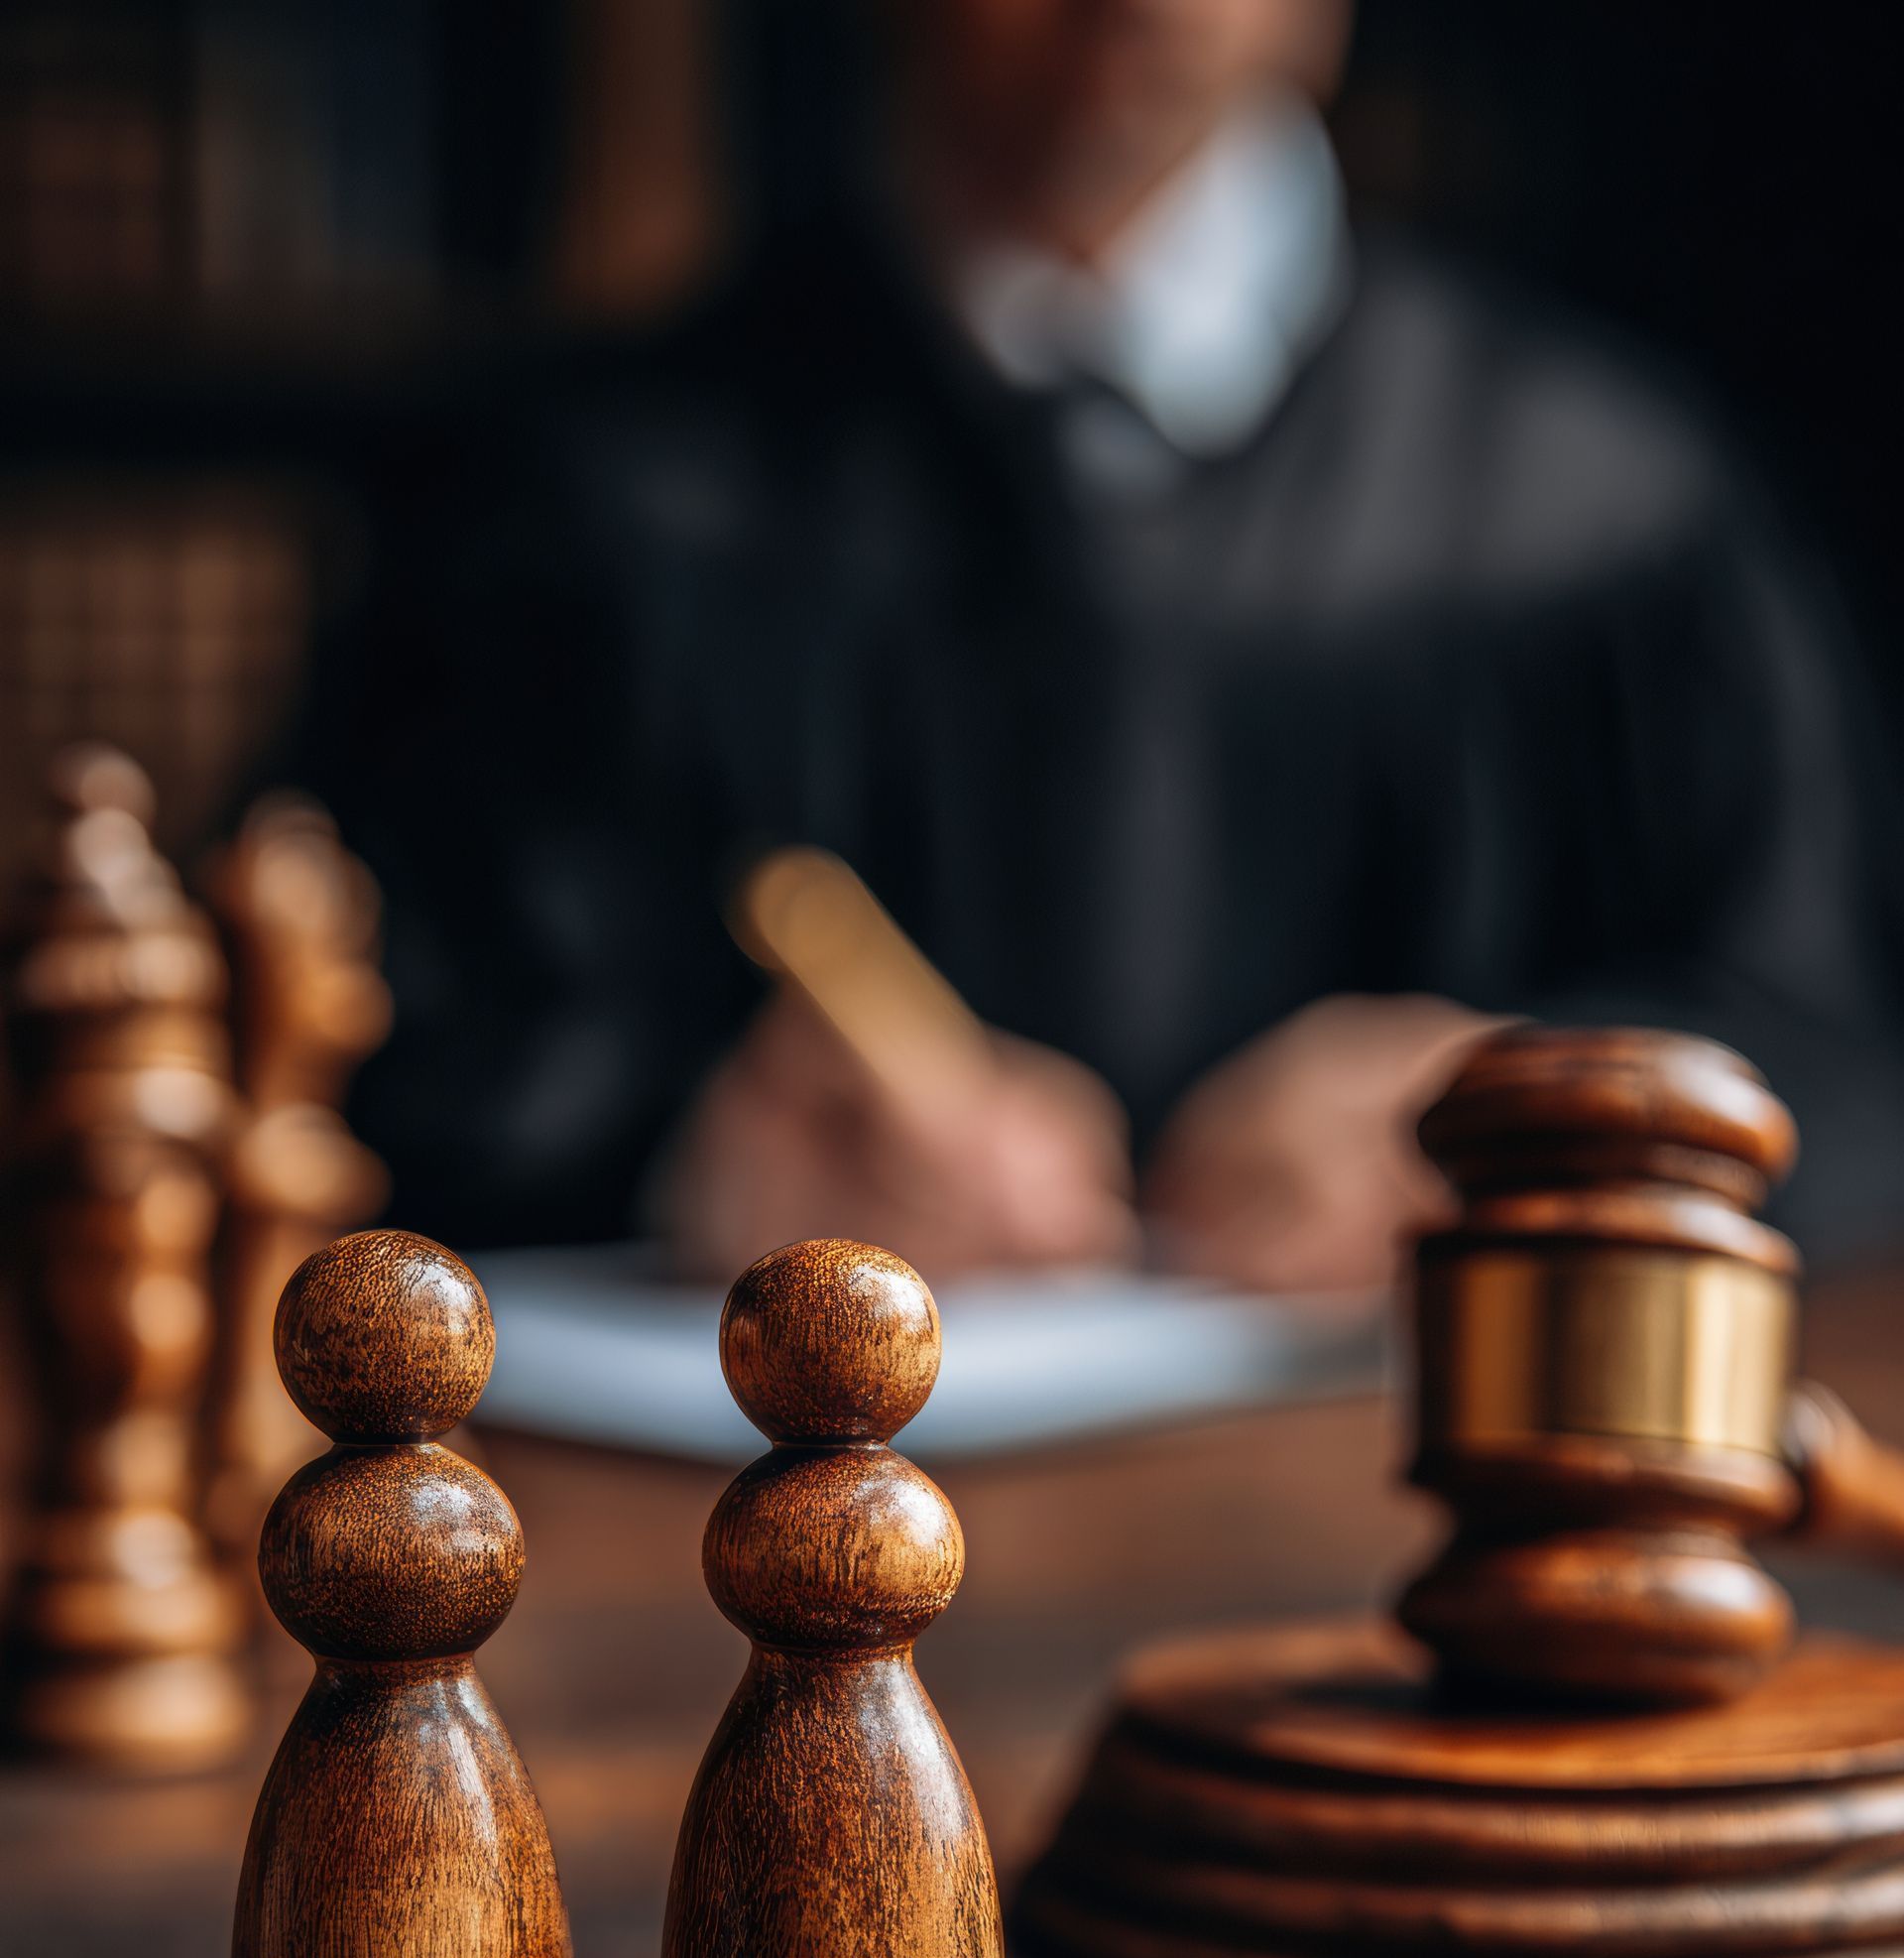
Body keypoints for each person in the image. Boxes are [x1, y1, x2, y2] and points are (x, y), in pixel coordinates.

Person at [290, 0, 1904, 1282]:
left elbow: (1830, 1036)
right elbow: (335, 1031)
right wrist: (670, 1149)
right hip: (753, 1602)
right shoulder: (592, 507)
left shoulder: (1606, 508)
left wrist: (1535, 1120)